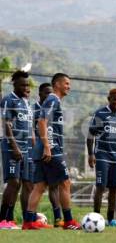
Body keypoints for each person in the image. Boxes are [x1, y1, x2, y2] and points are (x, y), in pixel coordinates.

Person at [22, 73, 81, 230]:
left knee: (39, 187)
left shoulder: (53, 100)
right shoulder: (53, 99)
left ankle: (28, 222)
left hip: (41, 149)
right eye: (66, 83)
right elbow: (42, 122)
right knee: (65, 182)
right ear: (57, 84)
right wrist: (48, 146)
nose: (69, 86)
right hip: (51, 148)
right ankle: (68, 221)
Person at [87, 88, 116, 227]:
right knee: (101, 187)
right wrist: (90, 154)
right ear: (109, 99)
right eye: (115, 99)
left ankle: (111, 219)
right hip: (101, 155)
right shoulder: (100, 114)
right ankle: (96, 218)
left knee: (114, 188)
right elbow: (90, 136)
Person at [0, 70, 33, 229]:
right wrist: (14, 147)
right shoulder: (9, 100)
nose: (26, 88)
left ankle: (21, 220)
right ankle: (2, 219)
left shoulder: (26, 102)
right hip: (11, 147)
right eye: (23, 85)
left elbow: (27, 126)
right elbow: (6, 125)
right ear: (15, 85)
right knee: (13, 182)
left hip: (26, 149)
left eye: (28, 85)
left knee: (24, 184)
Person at [30, 83, 63, 227]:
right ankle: (30, 219)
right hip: (42, 149)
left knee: (52, 185)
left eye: (50, 93)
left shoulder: (53, 105)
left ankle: (57, 219)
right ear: (40, 94)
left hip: (52, 148)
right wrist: (41, 146)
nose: (48, 96)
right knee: (61, 183)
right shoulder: (34, 109)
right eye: (45, 93)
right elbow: (32, 129)